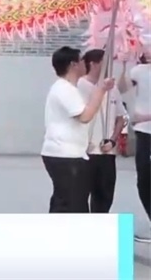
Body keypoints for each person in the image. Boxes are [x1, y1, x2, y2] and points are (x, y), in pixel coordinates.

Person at [42, 46, 115, 213]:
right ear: (73, 65)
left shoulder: (68, 88)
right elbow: (85, 116)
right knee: (72, 203)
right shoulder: (64, 89)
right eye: (82, 60)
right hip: (65, 155)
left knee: (67, 200)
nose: (85, 63)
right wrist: (101, 90)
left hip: (69, 153)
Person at [77, 49, 127, 213]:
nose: (110, 66)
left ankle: (99, 223)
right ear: (93, 64)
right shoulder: (80, 85)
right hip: (85, 151)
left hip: (106, 152)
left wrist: (113, 140)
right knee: (80, 195)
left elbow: (121, 117)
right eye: (105, 63)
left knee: (105, 195)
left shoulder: (113, 89)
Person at [120, 51, 151, 231]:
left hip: (143, 122)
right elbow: (121, 89)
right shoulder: (138, 71)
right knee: (144, 178)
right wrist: (124, 67)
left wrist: (144, 117)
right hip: (144, 132)